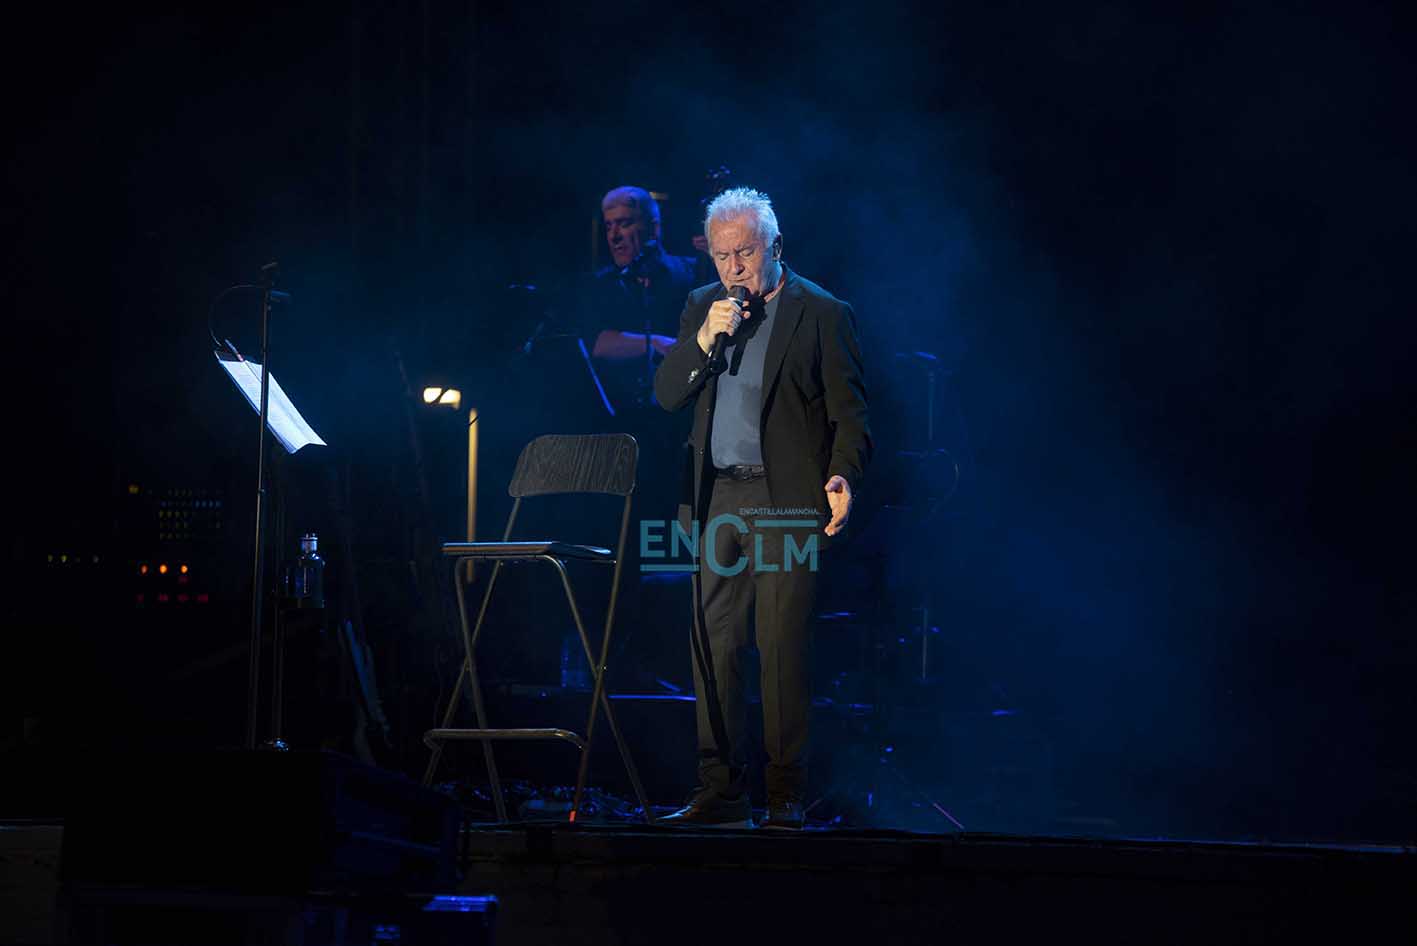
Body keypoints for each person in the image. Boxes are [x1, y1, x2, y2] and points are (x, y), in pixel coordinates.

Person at [653, 187, 871, 829]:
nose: (732, 268)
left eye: (744, 252)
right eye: (721, 255)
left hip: (788, 502)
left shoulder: (822, 312)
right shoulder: (702, 306)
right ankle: (719, 790)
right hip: (716, 494)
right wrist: (701, 340)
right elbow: (667, 396)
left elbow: (850, 412)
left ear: (775, 247)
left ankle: (783, 795)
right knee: (713, 646)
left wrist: (843, 475)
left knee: (779, 648)